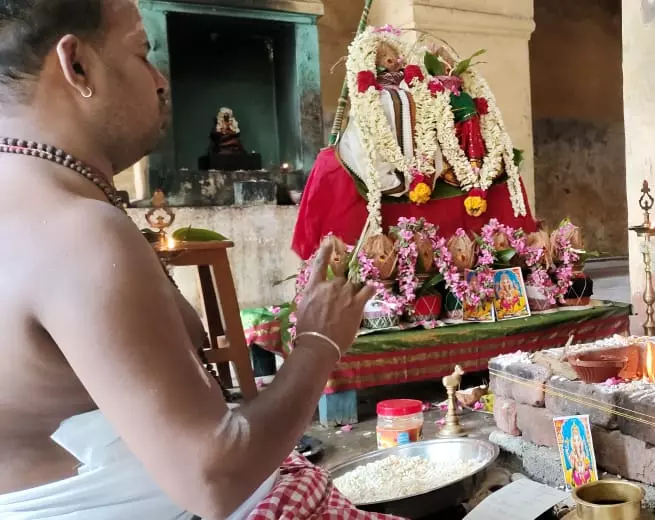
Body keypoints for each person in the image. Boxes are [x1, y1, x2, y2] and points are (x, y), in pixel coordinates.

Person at [0, 1, 394, 518]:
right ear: (76, 66)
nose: (160, 81)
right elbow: (212, 478)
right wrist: (318, 342)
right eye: (143, 53)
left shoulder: (34, 203)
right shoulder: (75, 231)